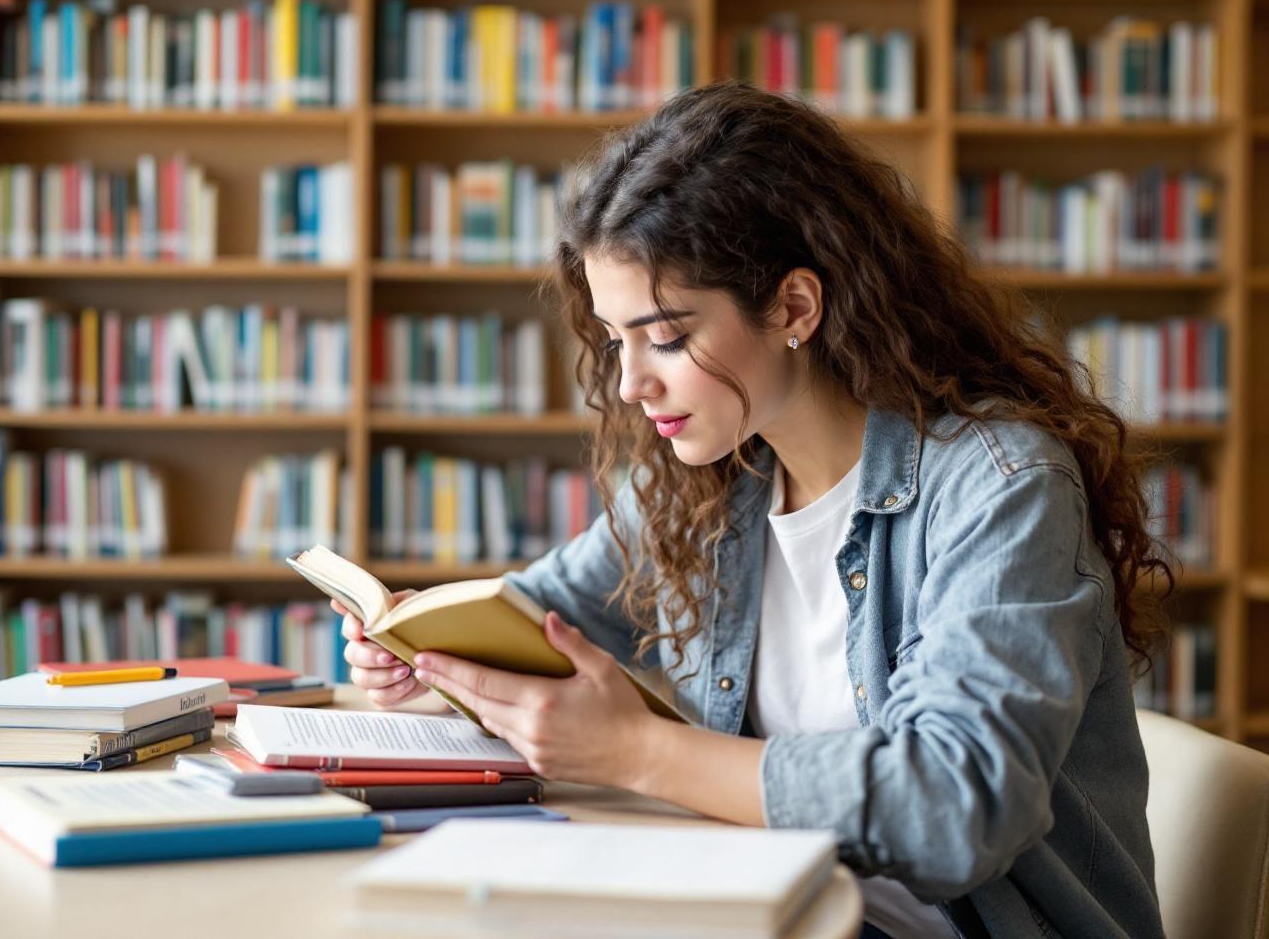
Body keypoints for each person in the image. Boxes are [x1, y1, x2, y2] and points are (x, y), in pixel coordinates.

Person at [334, 80, 1168, 938]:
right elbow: (544, 615)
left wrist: (639, 752)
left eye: (665, 337)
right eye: (616, 339)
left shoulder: (1000, 486)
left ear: (794, 307)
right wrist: (425, 653)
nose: (629, 383)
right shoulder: (708, 482)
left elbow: (956, 809)